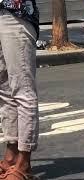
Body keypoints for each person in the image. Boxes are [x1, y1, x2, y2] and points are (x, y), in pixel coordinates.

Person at [0, 0, 40, 179]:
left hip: (17, 13)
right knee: (4, 89)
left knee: (23, 90)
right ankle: (11, 156)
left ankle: (24, 163)